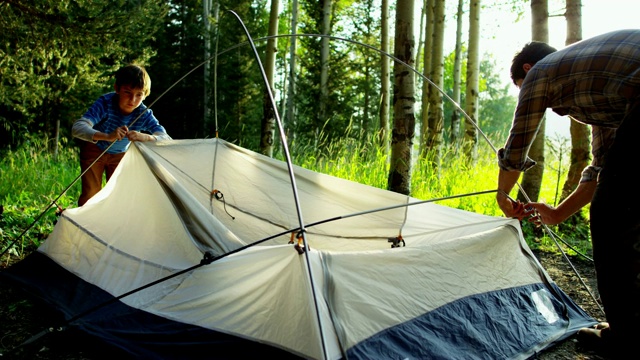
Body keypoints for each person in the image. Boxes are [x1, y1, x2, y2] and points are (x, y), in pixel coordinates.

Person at [496, 29, 640, 357]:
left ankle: (627, 338)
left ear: (527, 71)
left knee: (612, 219)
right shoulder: (601, 89)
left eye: (521, 88)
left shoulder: (542, 72)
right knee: (623, 209)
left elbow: (518, 145)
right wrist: (557, 213)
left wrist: (502, 196)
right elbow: (603, 168)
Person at [72, 64, 171, 206]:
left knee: (118, 194)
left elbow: (166, 139)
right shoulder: (106, 103)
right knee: (91, 192)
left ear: (145, 94)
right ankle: (83, 225)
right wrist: (106, 136)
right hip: (95, 150)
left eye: (139, 95)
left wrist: (147, 137)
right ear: (117, 88)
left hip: (120, 154)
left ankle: (112, 226)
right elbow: (78, 127)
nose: (133, 100)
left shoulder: (143, 113)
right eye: (127, 93)